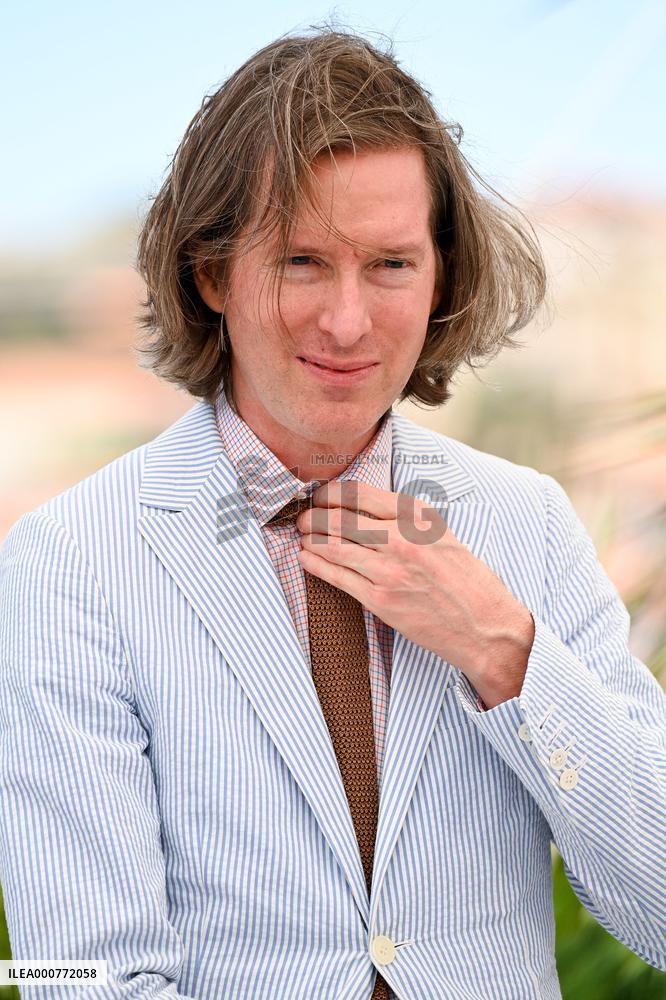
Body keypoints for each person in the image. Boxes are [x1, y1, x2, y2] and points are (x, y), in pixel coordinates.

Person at [0, 26, 664, 1000]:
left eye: (391, 264)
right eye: (303, 260)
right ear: (210, 271)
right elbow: (80, 974)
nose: (348, 322)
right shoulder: (68, 561)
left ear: (440, 274)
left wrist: (507, 652)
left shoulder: (529, 524)